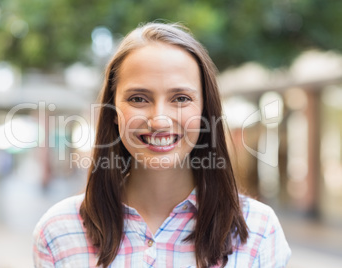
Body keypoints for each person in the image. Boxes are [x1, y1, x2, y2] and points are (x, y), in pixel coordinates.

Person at [33, 22, 291, 268]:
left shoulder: (259, 229)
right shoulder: (59, 230)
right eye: (138, 98)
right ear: (112, 110)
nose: (159, 120)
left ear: (205, 110)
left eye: (180, 98)